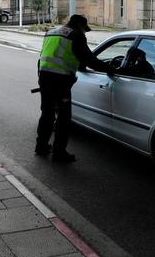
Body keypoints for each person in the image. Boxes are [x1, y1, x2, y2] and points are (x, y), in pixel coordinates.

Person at [35, 14, 114, 163]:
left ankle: (41, 146)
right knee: (64, 118)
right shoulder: (76, 35)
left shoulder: (52, 32)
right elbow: (89, 59)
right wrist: (109, 68)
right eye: (84, 29)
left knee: (47, 114)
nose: (84, 32)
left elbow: (53, 56)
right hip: (60, 81)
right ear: (79, 25)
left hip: (44, 77)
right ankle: (59, 153)